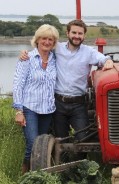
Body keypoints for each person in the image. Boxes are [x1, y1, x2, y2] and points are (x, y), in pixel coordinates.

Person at [21, 19, 113, 144]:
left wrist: (108, 61)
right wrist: (24, 54)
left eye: (80, 34)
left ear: (84, 36)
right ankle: (63, 161)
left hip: (78, 103)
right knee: (60, 140)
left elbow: (103, 59)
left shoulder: (89, 52)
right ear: (68, 33)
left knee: (83, 139)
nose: (77, 36)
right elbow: (41, 49)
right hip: (58, 103)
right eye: (74, 32)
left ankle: (79, 163)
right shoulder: (57, 48)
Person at [13, 24, 59, 174]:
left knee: (42, 145)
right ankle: (25, 175)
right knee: (32, 144)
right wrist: (19, 111)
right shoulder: (27, 58)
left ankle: (39, 175)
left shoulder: (55, 59)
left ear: (54, 42)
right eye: (44, 38)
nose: (47, 42)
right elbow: (18, 85)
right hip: (29, 108)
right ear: (37, 40)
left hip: (47, 110)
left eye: (50, 39)